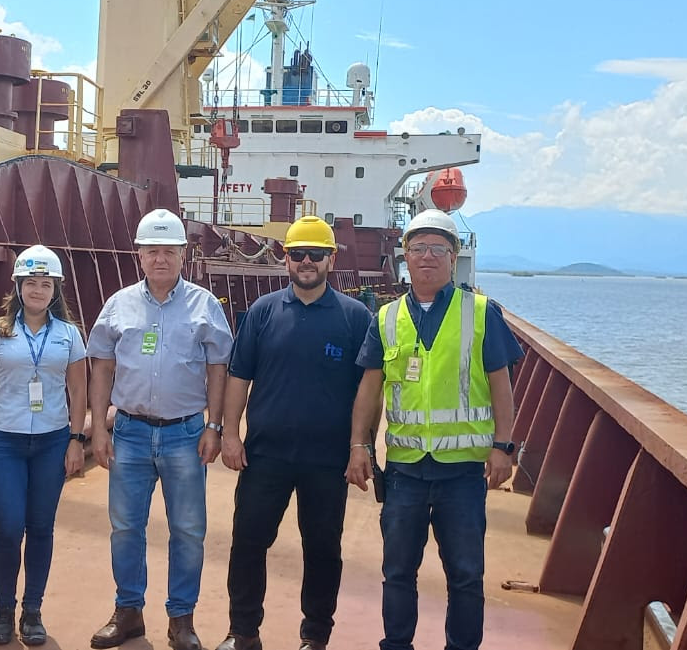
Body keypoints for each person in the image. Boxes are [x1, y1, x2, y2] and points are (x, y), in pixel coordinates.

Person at [344, 209, 523, 650]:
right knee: (398, 571)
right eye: (418, 248)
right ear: (406, 255)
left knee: (465, 575)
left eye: (438, 249)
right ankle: (397, 644)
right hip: (404, 470)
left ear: (453, 256)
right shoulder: (386, 317)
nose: (427, 257)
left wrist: (504, 447)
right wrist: (358, 446)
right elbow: (370, 388)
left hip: (463, 472)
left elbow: (501, 384)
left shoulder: (480, 312)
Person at [214, 217, 373, 650]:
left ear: (330, 259)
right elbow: (238, 377)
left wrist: (361, 446)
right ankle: (243, 632)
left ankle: (315, 637)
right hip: (265, 455)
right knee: (248, 542)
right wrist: (230, 434)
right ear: (285, 259)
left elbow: (368, 388)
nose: (306, 262)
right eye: (298, 254)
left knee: (322, 550)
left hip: (328, 460)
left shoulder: (355, 318)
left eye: (316, 254)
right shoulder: (263, 313)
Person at [86, 208, 234, 650]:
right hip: (129, 433)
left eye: (169, 251)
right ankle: (128, 612)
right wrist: (97, 430)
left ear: (183, 256)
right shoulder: (119, 305)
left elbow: (218, 368)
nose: (161, 259)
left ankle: (181, 620)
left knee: (188, 529)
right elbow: (101, 368)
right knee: (125, 527)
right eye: (153, 251)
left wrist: (214, 426)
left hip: (186, 435)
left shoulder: (203, 305)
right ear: (140, 256)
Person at [0, 245, 90, 646]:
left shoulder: (69, 335)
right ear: (18, 286)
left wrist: (76, 440)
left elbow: (77, 388)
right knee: (8, 528)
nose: (38, 290)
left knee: (40, 528)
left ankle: (32, 611)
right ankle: (4, 610)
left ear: (55, 289)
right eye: (30, 282)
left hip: (52, 442)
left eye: (45, 283)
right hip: (6, 441)